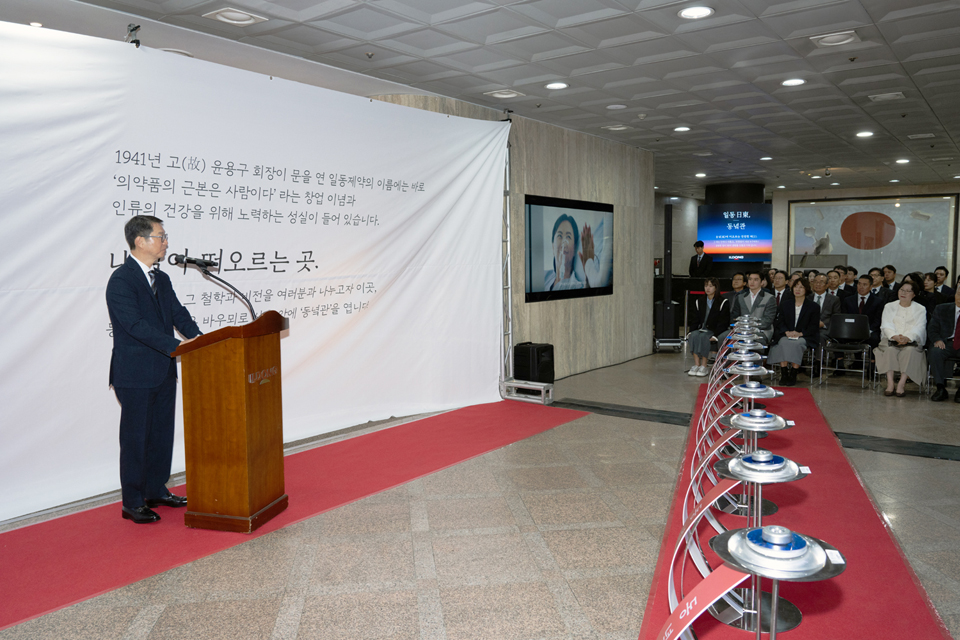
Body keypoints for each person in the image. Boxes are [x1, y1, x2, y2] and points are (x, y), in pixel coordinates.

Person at [106, 216, 201, 524]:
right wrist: (177, 347)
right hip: (135, 374)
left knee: (161, 434)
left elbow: (178, 314)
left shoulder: (161, 279)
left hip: (163, 370)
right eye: (161, 236)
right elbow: (135, 326)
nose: (166, 242)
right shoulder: (121, 281)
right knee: (136, 438)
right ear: (140, 241)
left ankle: (155, 489)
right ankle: (132, 501)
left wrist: (199, 340)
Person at [874, 281, 927, 397]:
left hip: (911, 342)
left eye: (908, 291)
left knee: (909, 351)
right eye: (902, 290)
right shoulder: (889, 306)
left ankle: (901, 384)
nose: (904, 293)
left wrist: (908, 337)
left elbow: (920, 327)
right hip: (890, 339)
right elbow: (886, 325)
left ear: (914, 294)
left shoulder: (920, 309)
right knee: (890, 350)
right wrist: (894, 336)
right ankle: (890, 383)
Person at [768, 277, 820, 386]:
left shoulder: (813, 306)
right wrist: (786, 332)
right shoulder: (785, 304)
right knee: (783, 342)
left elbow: (813, 326)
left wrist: (800, 333)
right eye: (796, 286)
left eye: (801, 287)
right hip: (786, 334)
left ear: (806, 289)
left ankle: (793, 373)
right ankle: (784, 372)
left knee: (797, 344)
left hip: (804, 336)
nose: (798, 289)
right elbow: (779, 322)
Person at [833, 274, 884, 375]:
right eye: (859, 284)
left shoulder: (878, 301)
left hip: (869, 331)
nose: (861, 287)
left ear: (870, 287)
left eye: (864, 285)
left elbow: (878, 320)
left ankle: (872, 366)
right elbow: (844, 317)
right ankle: (840, 365)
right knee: (837, 336)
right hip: (850, 330)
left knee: (875, 339)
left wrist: (868, 330)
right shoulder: (848, 300)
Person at [687, 277, 730, 377]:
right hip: (702, 328)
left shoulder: (723, 302)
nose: (708, 288)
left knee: (703, 337)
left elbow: (723, 321)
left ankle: (704, 366)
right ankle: (696, 364)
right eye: (706, 286)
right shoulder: (699, 301)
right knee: (693, 335)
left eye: (711, 286)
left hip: (714, 329)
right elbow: (695, 319)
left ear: (716, 287)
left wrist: (715, 335)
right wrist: (691, 331)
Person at [929, 289, 960, 402]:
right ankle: (940, 388)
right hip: (946, 342)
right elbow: (932, 328)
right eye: (959, 293)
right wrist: (937, 340)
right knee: (935, 351)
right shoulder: (942, 308)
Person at [730, 271, 777, 343]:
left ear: (762, 282)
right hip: (742, 330)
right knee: (723, 337)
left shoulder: (769, 298)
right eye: (750, 279)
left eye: (756, 280)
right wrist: (742, 327)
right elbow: (735, 316)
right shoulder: (740, 297)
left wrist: (750, 328)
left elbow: (768, 320)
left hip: (761, 330)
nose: (752, 282)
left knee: (753, 339)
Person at [545, 214, 585, 290]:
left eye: (568, 237)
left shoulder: (577, 287)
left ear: (575, 249)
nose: (564, 242)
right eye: (559, 236)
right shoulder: (543, 277)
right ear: (553, 246)